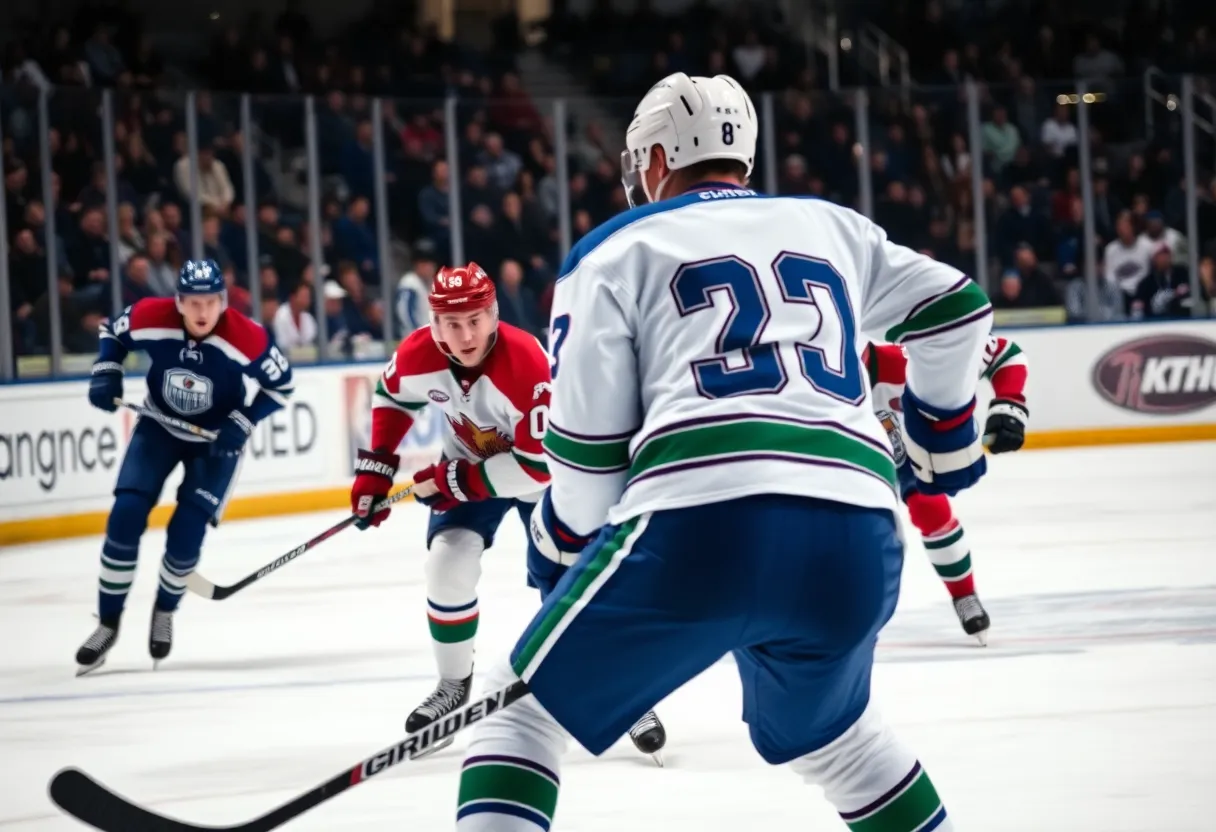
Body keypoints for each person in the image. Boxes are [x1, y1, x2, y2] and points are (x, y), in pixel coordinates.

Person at [452, 72, 992, 831]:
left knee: (519, 719)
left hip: (701, 527)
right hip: (859, 538)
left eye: (639, 159)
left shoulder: (614, 249)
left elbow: (590, 465)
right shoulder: (834, 226)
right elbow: (956, 307)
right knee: (842, 743)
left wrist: (555, 547)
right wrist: (944, 436)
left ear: (660, 156)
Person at [347, 262, 666, 758]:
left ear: (494, 315)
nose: (465, 333)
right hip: (469, 468)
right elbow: (393, 393)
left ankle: (619, 688)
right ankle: (452, 687)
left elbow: (536, 467)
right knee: (446, 568)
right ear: (434, 325)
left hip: (545, 477)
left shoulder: (527, 362)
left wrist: (455, 480)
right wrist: (378, 464)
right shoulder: (417, 353)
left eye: (475, 319)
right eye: (452, 323)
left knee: (568, 584)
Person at [75, 259, 294, 675]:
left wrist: (244, 419)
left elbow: (281, 386)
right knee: (125, 516)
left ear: (222, 302)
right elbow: (112, 333)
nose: (201, 311)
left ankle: (164, 609)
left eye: (210, 302)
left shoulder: (246, 337)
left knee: (185, 533)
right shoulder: (150, 316)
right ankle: (107, 624)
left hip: (214, 446)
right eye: (192, 302)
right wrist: (106, 369)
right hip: (158, 428)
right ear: (178, 302)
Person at [865, 335, 1029, 643]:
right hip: (844, 449)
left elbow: (1006, 353)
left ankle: (964, 595)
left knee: (930, 507)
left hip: (904, 444)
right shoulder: (806, 370)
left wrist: (1011, 403)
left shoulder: (901, 361)